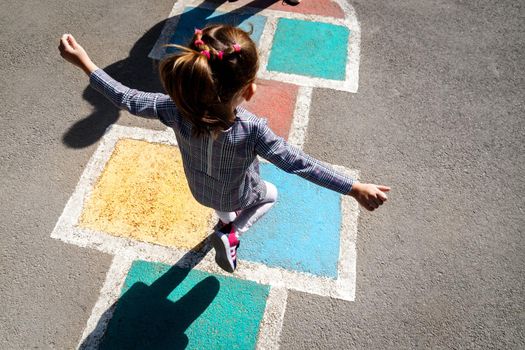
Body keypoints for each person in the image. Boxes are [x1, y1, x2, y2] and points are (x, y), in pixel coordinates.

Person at [58, 25, 390, 273]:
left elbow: (126, 98)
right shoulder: (253, 130)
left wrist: (86, 62)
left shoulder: (173, 108)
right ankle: (232, 234)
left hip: (200, 191)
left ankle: (225, 225)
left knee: (223, 206)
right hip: (237, 195)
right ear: (249, 90)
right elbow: (299, 163)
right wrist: (353, 187)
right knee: (271, 193)